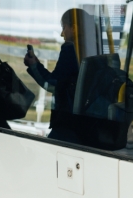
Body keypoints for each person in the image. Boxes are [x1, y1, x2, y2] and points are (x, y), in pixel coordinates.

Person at [24, 8, 94, 143]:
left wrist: (33, 66)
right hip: (87, 123)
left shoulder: (71, 49)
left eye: (64, 27)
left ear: (73, 28)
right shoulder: (93, 46)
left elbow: (53, 84)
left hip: (68, 123)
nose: (62, 34)